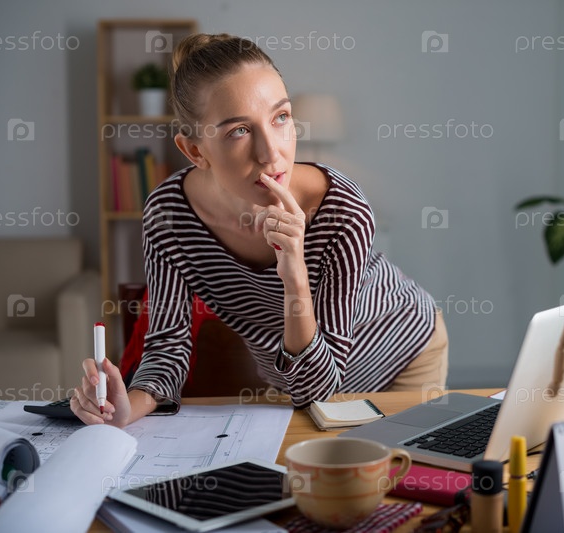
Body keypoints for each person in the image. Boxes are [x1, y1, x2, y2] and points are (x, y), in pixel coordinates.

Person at [71, 33, 448, 426]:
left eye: (281, 117)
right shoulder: (168, 215)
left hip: (405, 354)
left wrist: (295, 275)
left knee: (407, 478)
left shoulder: (342, 212)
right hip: (303, 384)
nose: (271, 153)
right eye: (239, 131)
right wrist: (129, 406)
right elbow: (167, 348)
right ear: (195, 151)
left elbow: (320, 387)